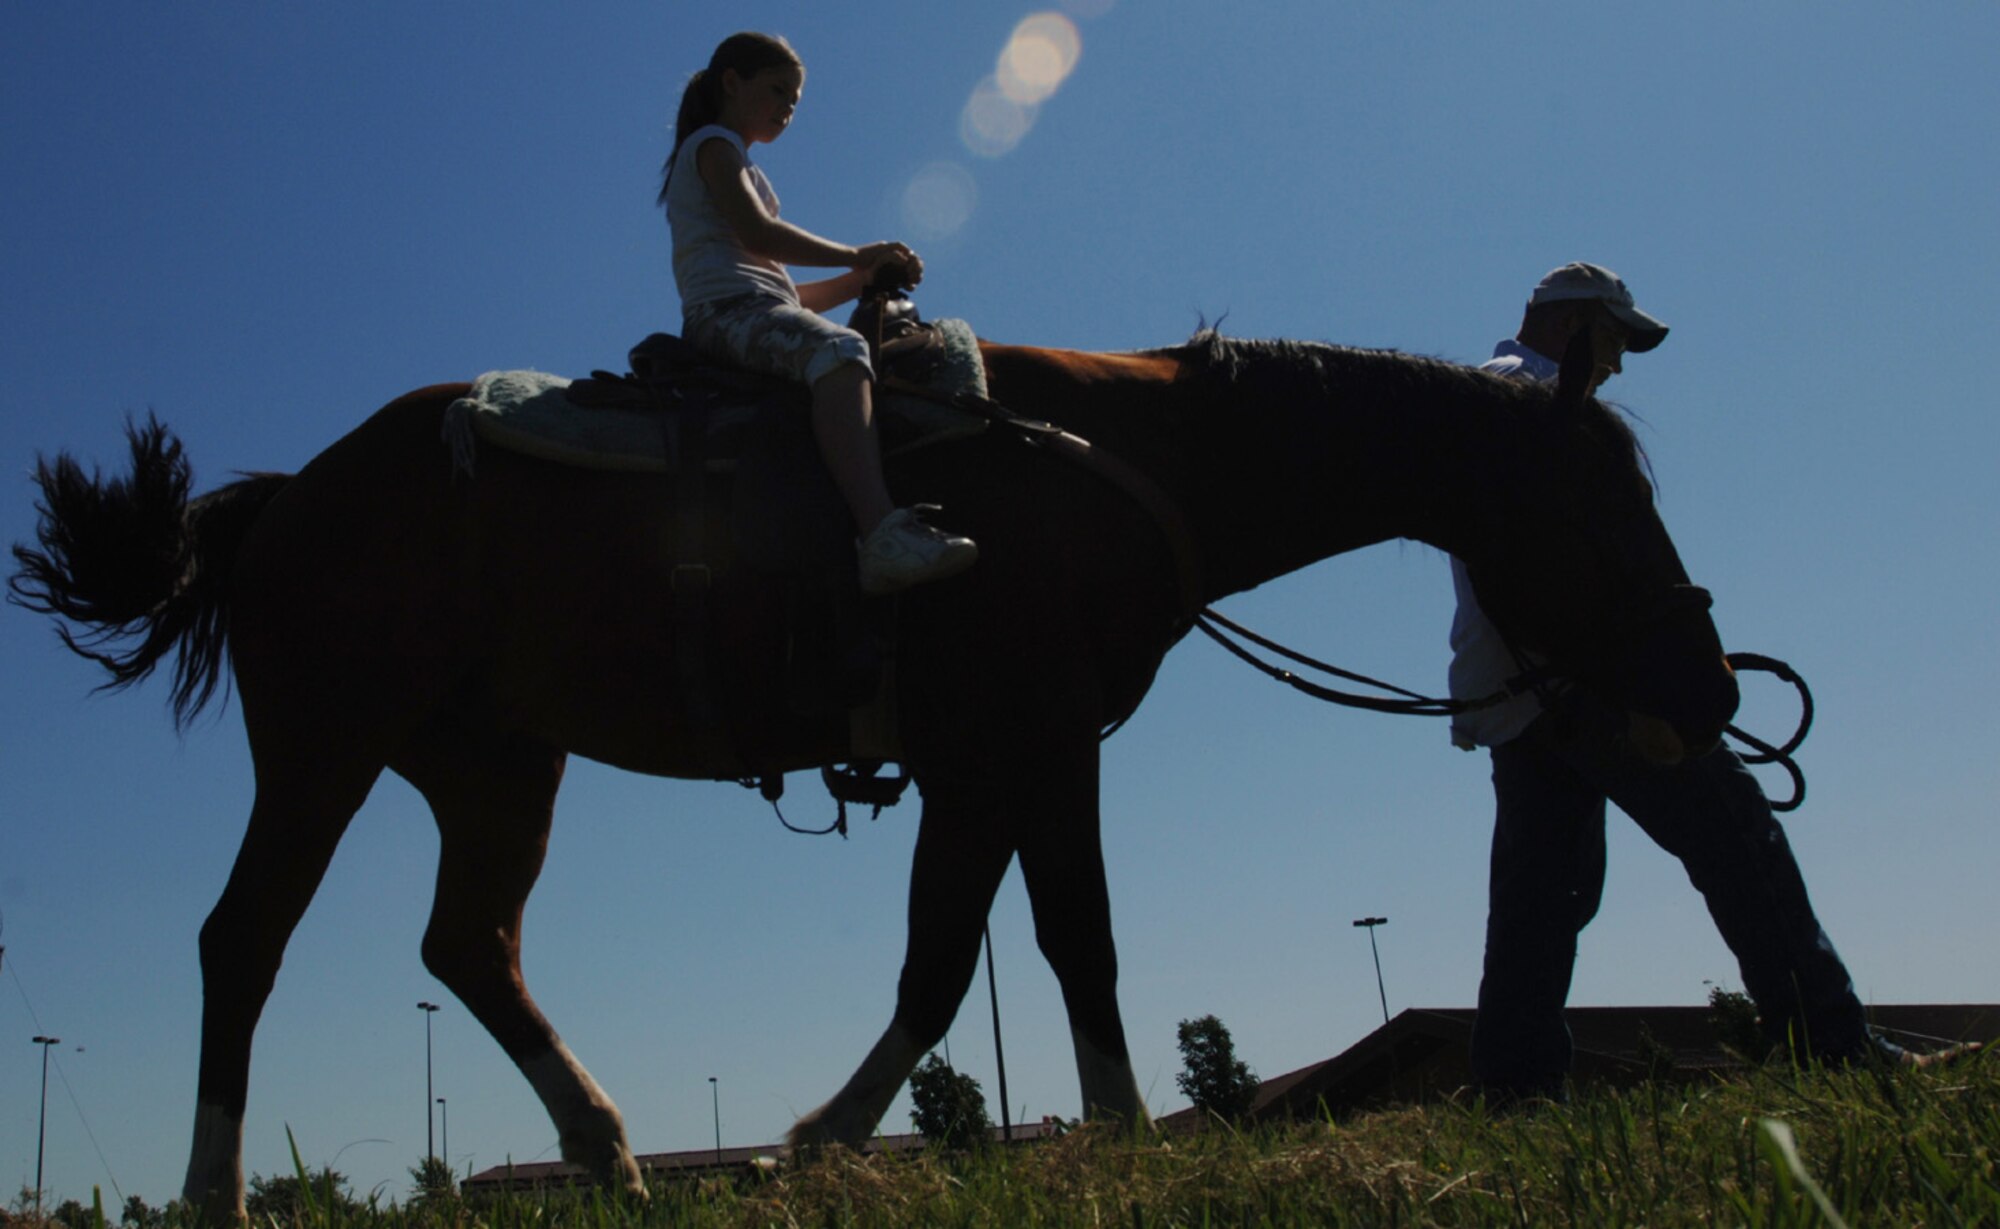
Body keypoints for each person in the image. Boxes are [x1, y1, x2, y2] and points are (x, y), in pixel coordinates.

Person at [1452, 262, 1966, 1099]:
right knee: (1735, 834)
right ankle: (1831, 1042)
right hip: (1587, 686)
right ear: (1574, 323)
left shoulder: (1494, 393)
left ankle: (1514, 1088)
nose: (1617, 362)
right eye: (1614, 338)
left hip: (1515, 698)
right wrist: (1645, 684)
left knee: (1540, 901)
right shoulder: (1527, 394)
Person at [660, 32, 977, 595]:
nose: (788, 108)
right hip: (722, 314)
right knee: (841, 349)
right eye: (778, 90)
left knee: (828, 342)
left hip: (755, 309)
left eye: (796, 102)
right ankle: (880, 533)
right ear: (732, 83)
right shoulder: (714, 145)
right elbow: (760, 233)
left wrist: (862, 281)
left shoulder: (737, 163)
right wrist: (860, 252)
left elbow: (788, 301)